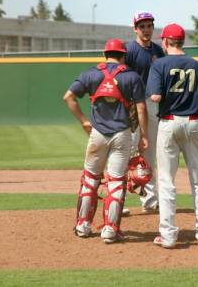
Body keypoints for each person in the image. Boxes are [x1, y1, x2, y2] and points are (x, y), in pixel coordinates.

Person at [63, 39, 148, 244]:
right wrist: (144, 135)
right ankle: (110, 230)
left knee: (90, 179)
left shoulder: (90, 74)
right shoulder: (131, 76)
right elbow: (141, 109)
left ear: (105, 53)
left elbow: (68, 97)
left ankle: (83, 225)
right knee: (116, 182)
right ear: (123, 55)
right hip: (122, 134)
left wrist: (84, 121)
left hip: (97, 134)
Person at [146, 23, 198, 249]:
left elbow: (155, 97)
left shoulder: (159, 64)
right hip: (195, 122)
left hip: (169, 123)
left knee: (167, 181)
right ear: (182, 41)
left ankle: (168, 235)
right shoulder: (197, 65)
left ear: (165, 42)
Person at [125, 11, 165, 213]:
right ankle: (118, 199)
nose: (146, 29)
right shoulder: (130, 50)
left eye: (149, 25)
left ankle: (150, 201)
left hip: (151, 104)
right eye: (142, 26)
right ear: (135, 29)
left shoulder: (158, 50)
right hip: (132, 105)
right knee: (125, 152)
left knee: (149, 153)